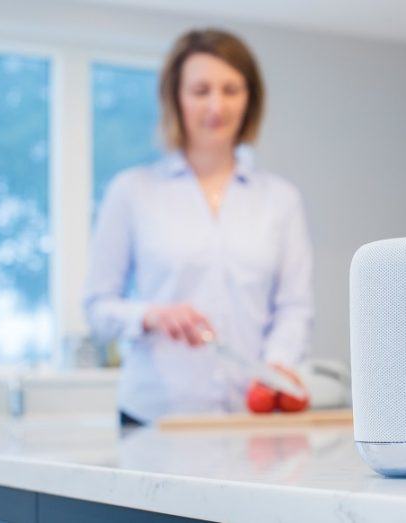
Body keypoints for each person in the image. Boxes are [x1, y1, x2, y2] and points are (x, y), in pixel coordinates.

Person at [84, 29, 314, 426]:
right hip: (155, 418)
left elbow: (295, 308)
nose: (216, 104)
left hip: (250, 420)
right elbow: (97, 308)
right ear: (176, 98)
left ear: (250, 99)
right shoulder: (133, 191)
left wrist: (275, 369)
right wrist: (151, 315)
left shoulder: (281, 199)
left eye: (231, 89)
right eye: (201, 90)